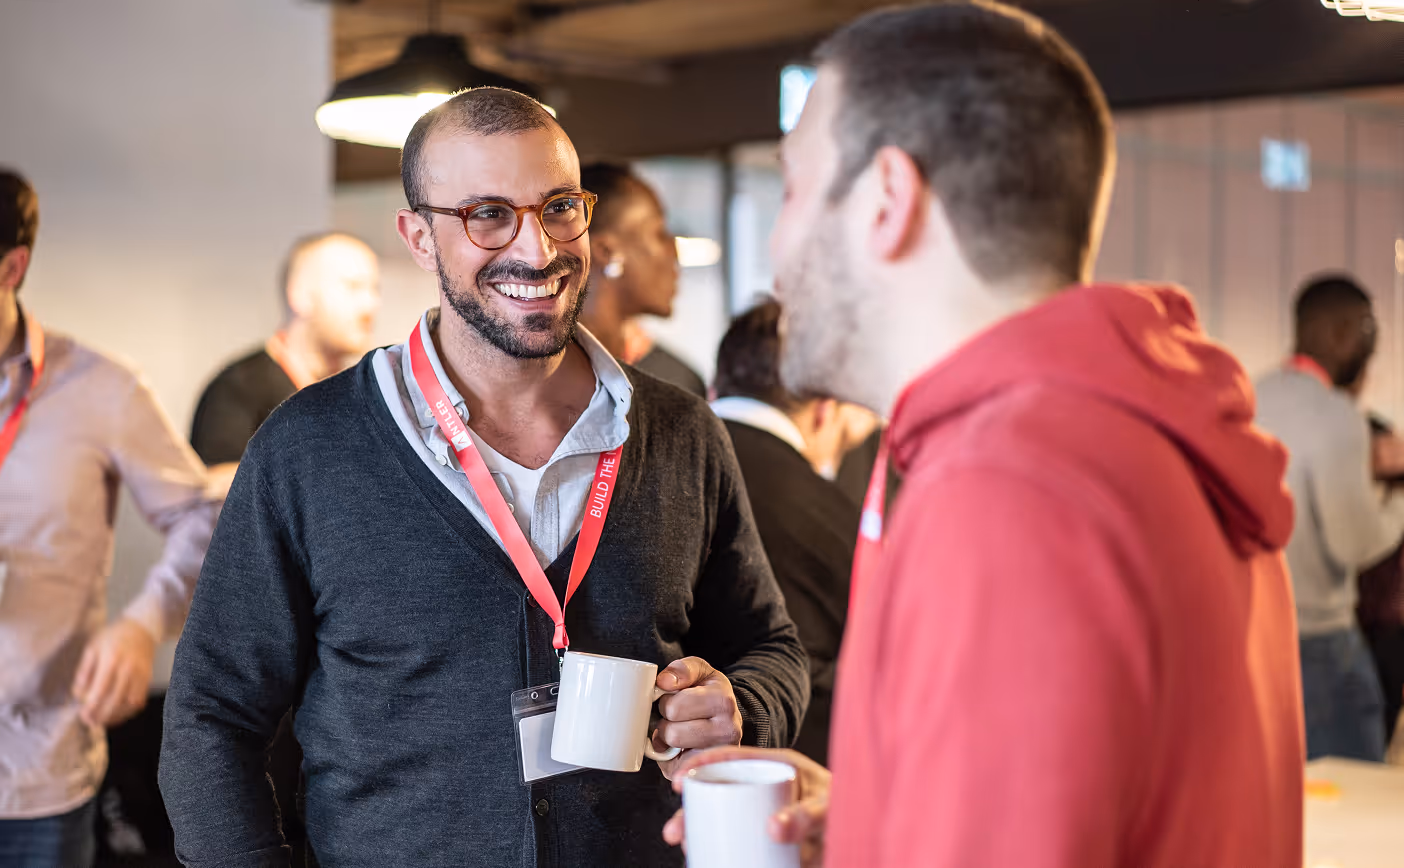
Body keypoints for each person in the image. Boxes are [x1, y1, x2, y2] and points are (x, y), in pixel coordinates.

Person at [665, 3, 1304, 867]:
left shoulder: (1007, 492)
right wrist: (878, 818)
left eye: (793, 190)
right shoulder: (1125, 431)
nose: (777, 253)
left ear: (889, 199)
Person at [159, 88, 808, 868]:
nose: (537, 251)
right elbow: (211, 717)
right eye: (487, 214)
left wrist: (741, 706)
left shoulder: (678, 433)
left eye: (559, 208)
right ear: (420, 237)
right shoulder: (310, 449)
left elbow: (770, 647)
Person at [0, 168, 220, 868]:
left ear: (12, 267)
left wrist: (144, 621)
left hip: (37, 777)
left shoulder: (100, 387)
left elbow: (199, 514)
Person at [710, 299, 871, 766]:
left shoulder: (648, 467)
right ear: (825, 412)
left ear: (718, 383)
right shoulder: (837, 521)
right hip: (795, 771)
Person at [1255, 274, 1403, 762]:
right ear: (1341, 333)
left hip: (1254, 635)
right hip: (1320, 643)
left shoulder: (1249, 398)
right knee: (1354, 805)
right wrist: (1396, 502)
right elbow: (1354, 544)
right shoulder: (1337, 415)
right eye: (1368, 330)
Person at [190, 231, 381, 464]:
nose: (370, 305)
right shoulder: (238, 390)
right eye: (353, 287)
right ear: (300, 295)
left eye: (375, 289)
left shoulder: (364, 394)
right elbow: (216, 491)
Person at [577, 162, 707, 398]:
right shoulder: (547, 374)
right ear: (606, 251)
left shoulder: (676, 381)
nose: (674, 251)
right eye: (659, 233)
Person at [1358, 414, 1404, 747]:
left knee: (1384, 698)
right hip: (1359, 615)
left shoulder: (1396, 498)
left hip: (1390, 620)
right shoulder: (1358, 492)